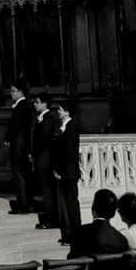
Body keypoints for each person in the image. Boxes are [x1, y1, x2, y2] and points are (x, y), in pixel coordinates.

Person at [49, 99, 81, 243]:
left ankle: (75, 235)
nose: (58, 111)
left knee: (71, 205)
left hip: (68, 173)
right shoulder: (63, 126)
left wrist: (61, 171)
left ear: (67, 112)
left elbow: (70, 153)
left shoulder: (72, 126)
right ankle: (69, 235)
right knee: (66, 206)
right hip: (64, 172)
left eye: (60, 109)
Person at [69, 188, 130, 257]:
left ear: (93, 210)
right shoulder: (121, 239)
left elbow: (72, 259)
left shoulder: (79, 233)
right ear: (113, 214)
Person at [4, 79, 35, 214]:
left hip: (18, 146)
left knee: (19, 174)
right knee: (23, 174)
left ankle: (23, 204)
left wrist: (7, 138)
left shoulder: (21, 106)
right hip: (23, 146)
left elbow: (14, 126)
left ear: (20, 92)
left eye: (13, 91)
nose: (11, 94)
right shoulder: (27, 106)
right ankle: (26, 202)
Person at [31, 90, 57, 228]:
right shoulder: (44, 118)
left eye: (37, 102)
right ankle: (49, 218)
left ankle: (50, 220)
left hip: (44, 160)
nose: (35, 104)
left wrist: (34, 153)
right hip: (43, 159)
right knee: (46, 190)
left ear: (45, 104)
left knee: (47, 190)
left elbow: (42, 140)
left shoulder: (47, 118)